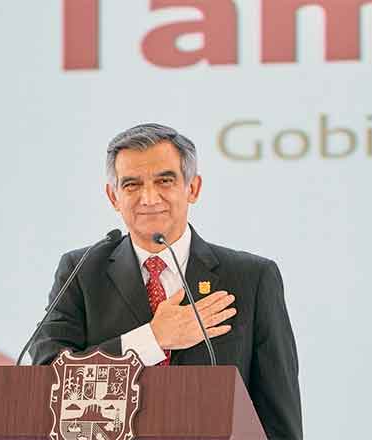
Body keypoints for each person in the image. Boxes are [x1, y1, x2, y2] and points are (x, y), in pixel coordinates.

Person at [30, 123, 302, 439]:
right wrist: (152, 340)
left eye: (164, 180)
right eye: (131, 184)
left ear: (193, 188)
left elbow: (279, 419)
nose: (149, 197)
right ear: (113, 196)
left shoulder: (251, 278)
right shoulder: (81, 271)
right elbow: (46, 378)